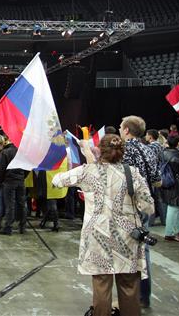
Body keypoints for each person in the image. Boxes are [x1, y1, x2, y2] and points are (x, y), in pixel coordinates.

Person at [52, 134, 154, 316]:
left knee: (101, 285)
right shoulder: (132, 173)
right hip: (127, 236)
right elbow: (148, 206)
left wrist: (88, 160)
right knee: (129, 286)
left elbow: (57, 180)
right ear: (122, 152)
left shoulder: (87, 171)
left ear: (100, 150)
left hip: (97, 237)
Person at [119, 115, 160, 309]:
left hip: (129, 206)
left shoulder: (125, 149)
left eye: (121, 126)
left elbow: (119, 178)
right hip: (147, 204)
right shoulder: (150, 149)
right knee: (144, 251)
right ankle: (144, 296)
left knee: (127, 251)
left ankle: (129, 299)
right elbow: (156, 178)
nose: (119, 129)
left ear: (127, 130)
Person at [0, 137, 27, 235]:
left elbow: (1, 169)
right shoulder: (22, 153)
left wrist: (1, 180)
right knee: (22, 204)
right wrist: (22, 177)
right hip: (20, 181)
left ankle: (8, 227)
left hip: (9, 182)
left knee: (10, 205)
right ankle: (22, 227)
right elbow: (27, 168)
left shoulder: (5, 152)